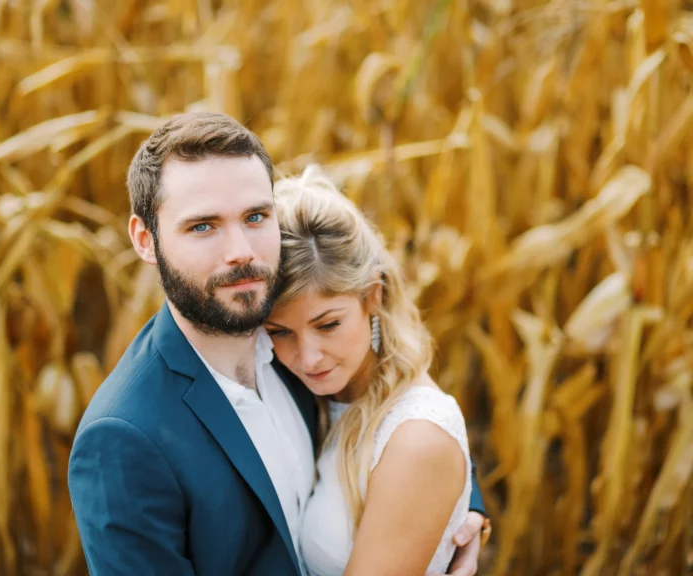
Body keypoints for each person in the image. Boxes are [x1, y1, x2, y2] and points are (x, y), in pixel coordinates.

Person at [67, 111, 490, 576]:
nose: (240, 251)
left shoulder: (292, 351)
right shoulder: (125, 439)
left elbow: (408, 424)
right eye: (202, 226)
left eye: (254, 217)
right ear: (146, 241)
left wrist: (461, 513)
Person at [265, 166, 483, 575]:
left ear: (373, 296)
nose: (308, 358)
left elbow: (431, 451)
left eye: (328, 325)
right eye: (281, 333)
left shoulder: (416, 435)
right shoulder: (320, 392)